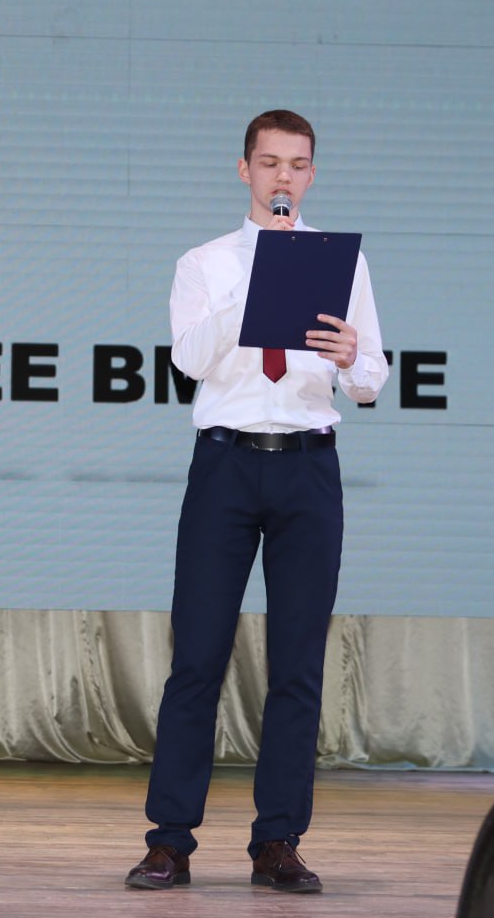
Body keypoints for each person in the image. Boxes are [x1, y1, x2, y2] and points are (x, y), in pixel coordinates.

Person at [125, 110, 388, 894]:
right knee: (197, 658)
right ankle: (170, 839)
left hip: (308, 466)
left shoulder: (343, 263)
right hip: (227, 465)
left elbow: (369, 380)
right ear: (245, 170)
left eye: (297, 165)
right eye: (270, 163)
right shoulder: (204, 264)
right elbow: (189, 359)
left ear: (312, 174)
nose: (284, 178)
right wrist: (259, 282)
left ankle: (278, 841)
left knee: (297, 664)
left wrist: (352, 357)